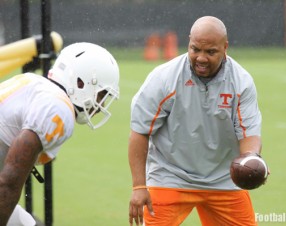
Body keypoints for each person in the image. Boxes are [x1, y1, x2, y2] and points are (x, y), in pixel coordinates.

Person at [128, 16, 265, 226]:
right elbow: (140, 130)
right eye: (195, 49)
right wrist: (139, 187)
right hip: (170, 175)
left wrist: (251, 160)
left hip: (223, 179)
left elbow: (249, 133)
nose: (201, 58)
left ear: (225, 47)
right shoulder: (164, 77)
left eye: (210, 52)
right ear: (189, 43)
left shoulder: (241, 82)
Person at [0, 42, 120, 225]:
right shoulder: (59, 109)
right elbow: (8, 182)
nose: (101, 105)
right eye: (101, 95)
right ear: (81, 83)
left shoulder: (34, 82)